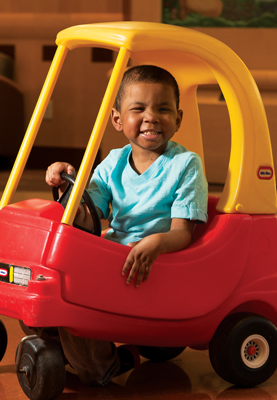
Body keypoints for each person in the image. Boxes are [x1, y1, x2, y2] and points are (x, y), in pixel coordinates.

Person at [45, 65, 208, 386]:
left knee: (70, 307)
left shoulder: (185, 165)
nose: (151, 117)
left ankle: (106, 362)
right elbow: (86, 216)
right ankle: (65, 340)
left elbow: (182, 233)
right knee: (52, 283)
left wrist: (156, 243)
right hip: (114, 261)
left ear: (178, 118)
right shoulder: (114, 162)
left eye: (163, 109)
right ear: (118, 120)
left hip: (154, 267)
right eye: (139, 109)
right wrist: (67, 183)